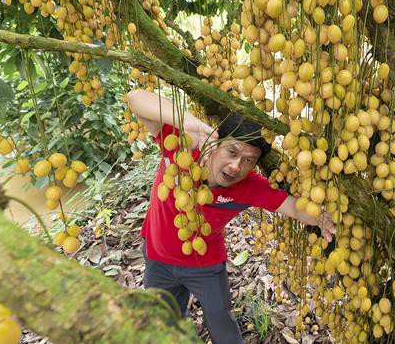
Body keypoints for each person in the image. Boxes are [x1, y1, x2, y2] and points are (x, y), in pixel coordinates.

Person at [126, 89, 336, 344]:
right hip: (157, 257)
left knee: (221, 320)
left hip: (205, 266)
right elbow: (135, 98)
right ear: (214, 145)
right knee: (166, 320)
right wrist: (185, 120)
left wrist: (322, 218)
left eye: (249, 160)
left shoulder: (249, 186)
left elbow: (292, 207)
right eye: (232, 152)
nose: (237, 166)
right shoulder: (184, 148)